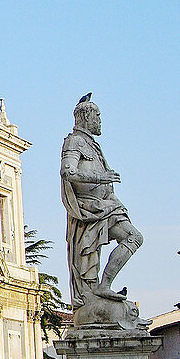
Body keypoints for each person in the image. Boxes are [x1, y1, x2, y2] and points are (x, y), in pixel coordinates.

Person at [61, 95, 144, 329]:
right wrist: (100, 178)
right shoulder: (73, 142)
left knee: (134, 237)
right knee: (90, 261)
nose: (100, 120)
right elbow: (68, 172)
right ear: (85, 117)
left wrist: (116, 201)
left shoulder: (93, 145)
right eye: (97, 115)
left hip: (108, 205)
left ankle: (104, 285)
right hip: (88, 209)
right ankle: (95, 289)